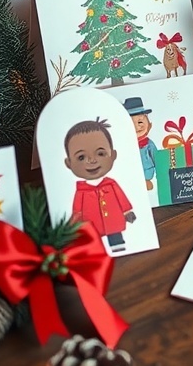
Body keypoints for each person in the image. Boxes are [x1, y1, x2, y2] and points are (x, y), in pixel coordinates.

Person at [64, 118, 135, 253]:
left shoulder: (111, 184)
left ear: (113, 155)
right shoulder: (81, 190)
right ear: (69, 163)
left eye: (100, 153)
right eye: (81, 157)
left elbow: (122, 199)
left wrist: (127, 212)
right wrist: (75, 222)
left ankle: (118, 246)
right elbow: (77, 209)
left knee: (115, 235)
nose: (92, 160)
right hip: (92, 222)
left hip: (113, 220)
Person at [123, 96, 157, 190]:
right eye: (131, 124)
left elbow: (156, 157)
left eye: (140, 122)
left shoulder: (149, 143)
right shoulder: (125, 145)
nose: (137, 128)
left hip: (147, 173)